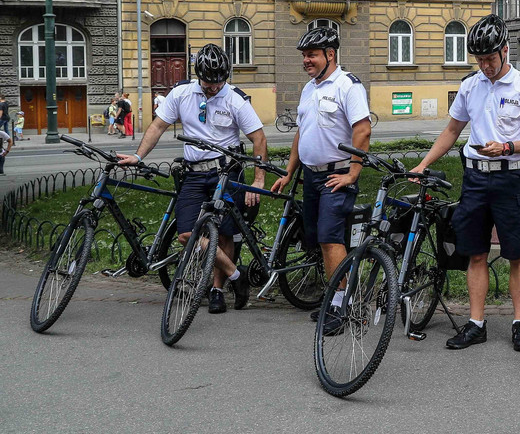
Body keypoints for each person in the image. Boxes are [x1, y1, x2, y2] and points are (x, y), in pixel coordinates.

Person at [410, 14, 520, 352]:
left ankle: (519, 323)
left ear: (505, 50)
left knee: (516, 254)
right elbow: (451, 131)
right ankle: (476, 324)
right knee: (475, 253)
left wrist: (507, 147)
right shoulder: (470, 85)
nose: (485, 66)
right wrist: (423, 163)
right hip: (475, 179)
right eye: (479, 60)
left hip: (510, 178)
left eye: (490, 58)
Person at [117, 44, 266, 313]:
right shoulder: (181, 94)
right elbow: (158, 126)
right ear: (199, 76)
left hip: (226, 172)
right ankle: (236, 275)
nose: (214, 87)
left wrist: (258, 179)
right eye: (209, 82)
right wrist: (138, 157)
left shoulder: (235, 99)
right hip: (194, 173)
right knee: (187, 234)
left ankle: (217, 290)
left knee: (224, 235)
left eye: (219, 81)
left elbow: (258, 139)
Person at [270, 26, 371, 335]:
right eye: (304, 56)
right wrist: (288, 171)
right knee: (319, 241)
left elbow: (363, 129)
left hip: (336, 175)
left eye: (311, 55)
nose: (306, 61)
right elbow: (302, 133)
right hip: (311, 176)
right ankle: (336, 297)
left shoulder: (348, 86)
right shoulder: (309, 88)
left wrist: (353, 172)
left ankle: (343, 305)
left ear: (330, 54)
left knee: (330, 238)